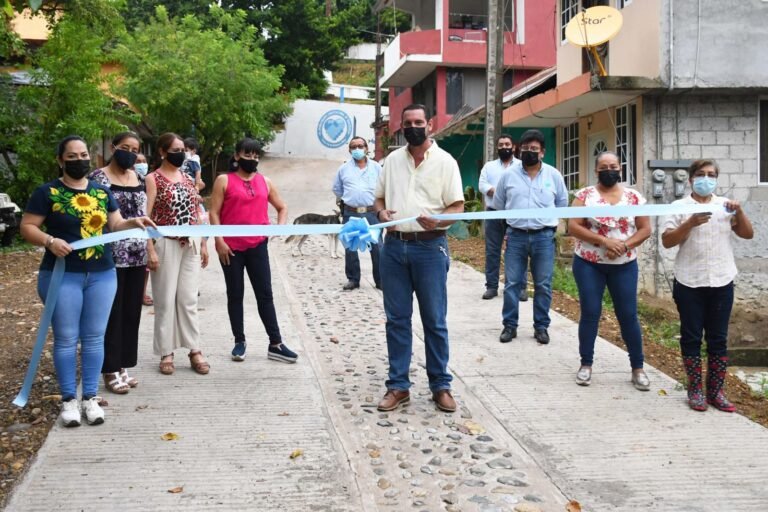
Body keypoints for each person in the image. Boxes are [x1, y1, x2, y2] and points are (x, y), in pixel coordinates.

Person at [20, 135, 154, 427]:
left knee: (95, 337)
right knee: (67, 338)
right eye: (72, 156)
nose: (79, 160)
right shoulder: (48, 192)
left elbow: (115, 224)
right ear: (60, 161)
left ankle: (90, 398)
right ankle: (69, 400)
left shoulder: (102, 192)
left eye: (83, 155)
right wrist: (49, 240)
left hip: (103, 273)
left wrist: (134, 222)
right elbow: (27, 226)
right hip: (61, 274)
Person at [374, 104, 464, 413]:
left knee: (434, 321)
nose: (414, 127)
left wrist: (439, 221)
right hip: (394, 248)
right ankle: (398, 386)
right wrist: (381, 212)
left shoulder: (445, 162)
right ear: (401, 127)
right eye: (408, 122)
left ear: (429, 125)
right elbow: (380, 197)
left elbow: (457, 207)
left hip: (430, 248)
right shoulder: (391, 162)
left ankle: (440, 385)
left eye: (419, 122)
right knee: (397, 320)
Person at [662, 159, 753, 412]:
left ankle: (716, 391)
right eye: (700, 174)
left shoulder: (725, 205)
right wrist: (689, 223)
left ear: (716, 179)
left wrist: (740, 212)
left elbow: (747, 234)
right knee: (691, 337)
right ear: (691, 179)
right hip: (689, 281)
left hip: (722, 279)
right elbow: (667, 241)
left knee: (718, 338)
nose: (706, 179)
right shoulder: (678, 206)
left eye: (711, 175)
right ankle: (695, 390)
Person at [568, 151, 652, 390]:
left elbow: (645, 229)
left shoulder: (634, 198)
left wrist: (624, 245)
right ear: (596, 171)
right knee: (590, 312)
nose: (609, 170)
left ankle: (638, 367)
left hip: (624, 264)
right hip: (589, 263)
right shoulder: (584, 196)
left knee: (628, 315)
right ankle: (586, 364)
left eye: (613, 166)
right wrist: (603, 242)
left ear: (620, 169)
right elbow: (574, 225)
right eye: (604, 167)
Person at [209, 138, 298, 363]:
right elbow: (214, 212)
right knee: (235, 294)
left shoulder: (265, 181)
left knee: (265, 294)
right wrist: (219, 240)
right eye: (248, 155)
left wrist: (279, 227)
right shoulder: (223, 180)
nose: (252, 159)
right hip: (230, 247)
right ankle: (239, 341)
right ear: (237, 155)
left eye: (256, 156)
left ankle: (275, 343)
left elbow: (282, 206)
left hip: (258, 245)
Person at [492, 129, 568, 345]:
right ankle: (510, 325)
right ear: (518, 150)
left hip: (543, 237)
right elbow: (499, 204)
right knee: (512, 283)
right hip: (515, 237)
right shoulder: (508, 176)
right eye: (525, 149)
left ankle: (541, 327)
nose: (529, 153)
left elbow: (562, 203)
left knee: (543, 284)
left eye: (534, 149)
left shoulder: (553, 175)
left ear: (542, 152)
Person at [146, 132, 210, 376]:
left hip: (190, 243)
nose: (181, 153)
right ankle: (166, 351)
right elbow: (146, 216)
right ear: (162, 152)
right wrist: (149, 247)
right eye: (175, 149)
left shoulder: (186, 177)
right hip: (165, 243)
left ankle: (194, 349)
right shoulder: (153, 178)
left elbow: (196, 211)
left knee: (188, 299)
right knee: (164, 299)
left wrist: (203, 242)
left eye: (182, 149)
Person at [89, 132, 148, 394]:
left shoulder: (138, 177)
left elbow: (144, 216)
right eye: (125, 147)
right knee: (111, 314)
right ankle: (109, 368)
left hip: (137, 255)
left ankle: (124, 364)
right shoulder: (98, 178)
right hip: (110, 256)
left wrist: (150, 249)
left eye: (134, 149)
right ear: (113, 148)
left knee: (130, 312)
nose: (130, 152)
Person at [478, 134, 528, 301]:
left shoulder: (522, 166)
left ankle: (519, 287)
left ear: (513, 147)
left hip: (515, 214)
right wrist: (498, 192)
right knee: (492, 251)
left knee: (517, 251)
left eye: (507, 144)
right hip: (493, 213)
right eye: (501, 145)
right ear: (497, 148)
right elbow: (482, 185)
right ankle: (491, 287)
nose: (504, 147)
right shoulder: (489, 167)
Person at [332, 136, 382, 291]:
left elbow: (384, 188)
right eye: (354, 147)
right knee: (351, 247)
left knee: (378, 247)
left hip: (372, 213)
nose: (357, 149)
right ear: (349, 150)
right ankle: (353, 279)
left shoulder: (376, 167)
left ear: (367, 148)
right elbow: (337, 189)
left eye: (360, 146)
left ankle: (381, 280)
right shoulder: (343, 169)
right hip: (351, 213)